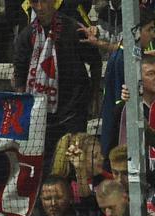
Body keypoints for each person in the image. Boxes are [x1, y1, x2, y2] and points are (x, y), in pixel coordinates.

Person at [14, 0, 103, 157]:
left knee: (75, 160)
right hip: (41, 117)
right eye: (35, 2)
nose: (40, 7)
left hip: (73, 112)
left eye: (45, 1)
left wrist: (94, 97)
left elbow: (95, 62)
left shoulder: (73, 29)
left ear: (54, 2)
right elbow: (20, 75)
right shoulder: (26, 36)